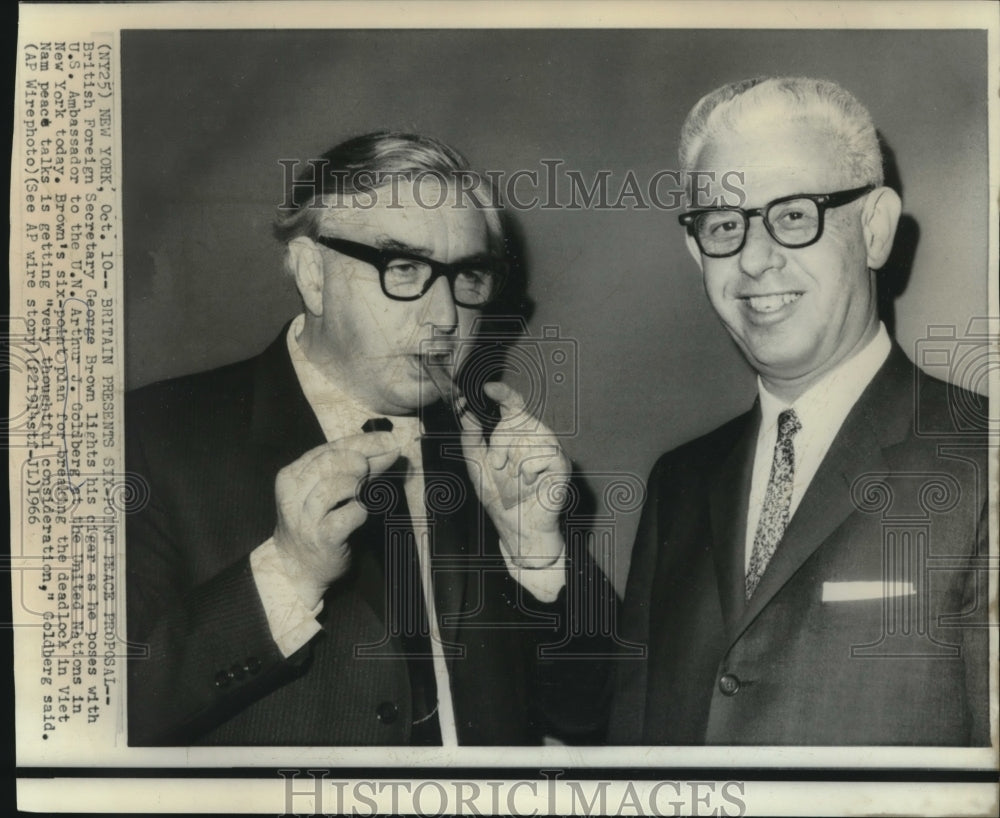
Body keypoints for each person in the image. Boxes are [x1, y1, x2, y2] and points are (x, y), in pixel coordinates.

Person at [126, 132, 615, 746]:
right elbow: (95, 720)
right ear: (312, 274)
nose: (445, 318)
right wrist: (288, 574)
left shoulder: (495, 449)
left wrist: (536, 553)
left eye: (467, 276)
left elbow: (592, 714)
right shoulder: (149, 435)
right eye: (403, 268)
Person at [610, 77, 990, 745]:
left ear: (874, 229)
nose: (755, 260)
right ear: (698, 253)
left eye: (793, 214)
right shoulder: (678, 483)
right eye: (725, 225)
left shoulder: (980, 461)